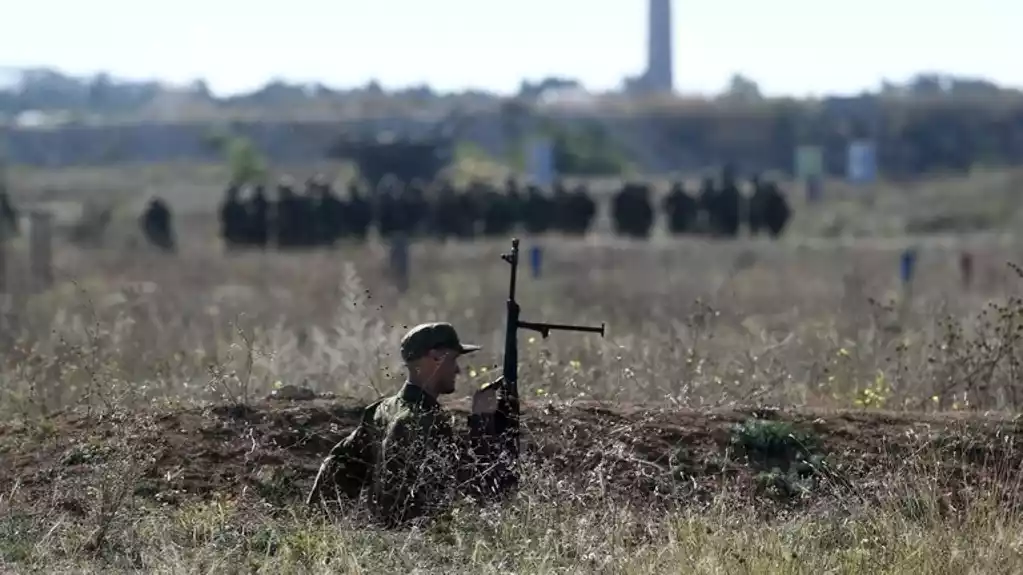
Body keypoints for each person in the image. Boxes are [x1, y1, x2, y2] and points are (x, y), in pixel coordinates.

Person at [306, 322, 518, 527]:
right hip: (418, 544)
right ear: (435, 356)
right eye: (453, 360)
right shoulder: (423, 421)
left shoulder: (382, 410)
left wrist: (317, 527)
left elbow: (337, 466)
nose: (457, 370)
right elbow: (477, 489)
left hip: (387, 540)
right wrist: (483, 423)